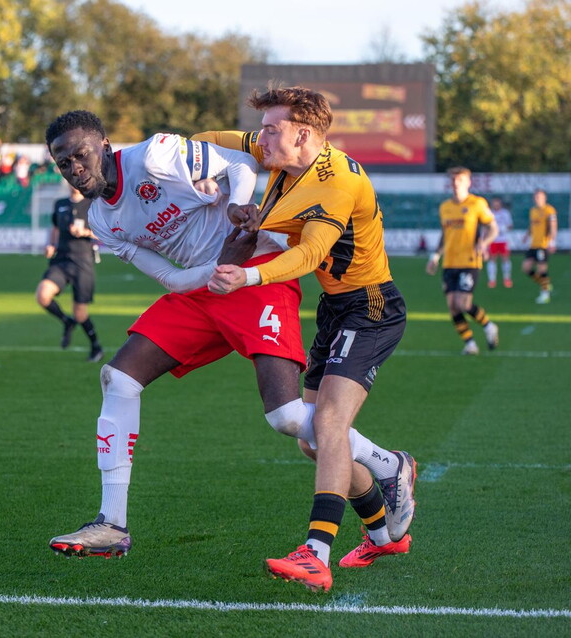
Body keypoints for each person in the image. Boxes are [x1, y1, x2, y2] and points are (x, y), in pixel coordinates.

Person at [45, 110, 414, 573]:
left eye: (80, 155)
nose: (75, 169)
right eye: (64, 163)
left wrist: (240, 213)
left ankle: (386, 464)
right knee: (118, 377)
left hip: (256, 278)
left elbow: (240, 164)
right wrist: (215, 271)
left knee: (284, 418)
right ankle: (112, 524)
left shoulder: (156, 154)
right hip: (205, 288)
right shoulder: (101, 220)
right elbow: (168, 278)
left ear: (103, 146)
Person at [203, 86, 416, 592]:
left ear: (304, 134)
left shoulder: (335, 183)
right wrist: (198, 172)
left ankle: (315, 552)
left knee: (329, 422)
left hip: (370, 306)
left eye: (272, 129)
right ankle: (385, 519)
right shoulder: (282, 148)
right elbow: (210, 140)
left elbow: (307, 254)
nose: (263, 139)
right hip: (336, 307)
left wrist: (249, 277)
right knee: (312, 441)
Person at [426, 167, 500, 355]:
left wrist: (483, 243)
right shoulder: (445, 207)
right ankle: (470, 344)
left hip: (469, 261)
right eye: (453, 180)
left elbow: (493, 228)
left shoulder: (477, 203)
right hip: (449, 262)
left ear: (468, 183)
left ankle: (489, 326)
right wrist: (435, 256)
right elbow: (445, 234)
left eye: (459, 180)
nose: (455, 183)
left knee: (464, 304)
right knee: (452, 306)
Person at [35, 183, 104, 362]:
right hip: (61, 261)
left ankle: (96, 346)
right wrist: (51, 245)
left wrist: (85, 232)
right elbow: (56, 228)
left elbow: (105, 233)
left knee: (80, 313)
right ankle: (67, 321)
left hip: (83, 263)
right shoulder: (60, 203)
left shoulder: (92, 204)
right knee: (43, 295)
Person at [522, 188, 557, 304]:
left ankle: (545, 294)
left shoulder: (549, 210)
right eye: (536, 197)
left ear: (544, 198)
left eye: (540, 197)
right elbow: (532, 225)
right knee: (526, 268)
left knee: (542, 269)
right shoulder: (533, 210)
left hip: (543, 244)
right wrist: (527, 235)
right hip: (533, 244)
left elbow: (553, 226)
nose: (537, 199)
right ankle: (545, 284)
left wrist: (552, 242)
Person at [486, 197, 514, 288]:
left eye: (497, 203)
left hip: (503, 240)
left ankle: (507, 279)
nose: (496, 205)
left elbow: (510, 225)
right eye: (494, 203)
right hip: (492, 240)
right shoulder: (489, 213)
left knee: (505, 258)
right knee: (492, 259)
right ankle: (492, 280)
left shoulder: (505, 213)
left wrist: (504, 228)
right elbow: (485, 226)